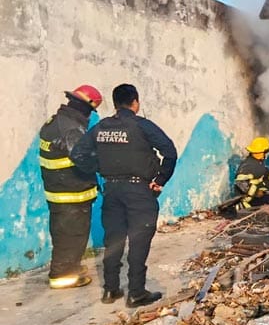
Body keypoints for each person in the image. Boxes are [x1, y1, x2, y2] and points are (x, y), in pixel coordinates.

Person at [71, 84, 177, 308]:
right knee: (139, 242)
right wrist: (160, 180)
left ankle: (110, 290)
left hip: (112, 191)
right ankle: (136, 292)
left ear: (115, 103)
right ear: (135, 102)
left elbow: (78, 154)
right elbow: (169, 151)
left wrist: (99, 168)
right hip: (140, 191)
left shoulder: (101, 127)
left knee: (114, 240)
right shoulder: (142, 126)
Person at [39, 85, 103, 289]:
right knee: (73, 233)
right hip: (71, 192)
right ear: (85, 108)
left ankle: (70, 266)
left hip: (59, 189)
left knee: (63, 232)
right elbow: (82, 158)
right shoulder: (71, 128)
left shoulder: (55, 122)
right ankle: (63, 276)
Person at [234, 136, 269, 211]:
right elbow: (240, 182)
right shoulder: (248, 165)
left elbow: (266, 173)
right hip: (249, 200)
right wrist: (256, 192)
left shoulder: (258, 163)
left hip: (257, 195)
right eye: (266, 152)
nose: (267, 154)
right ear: (260, 153)